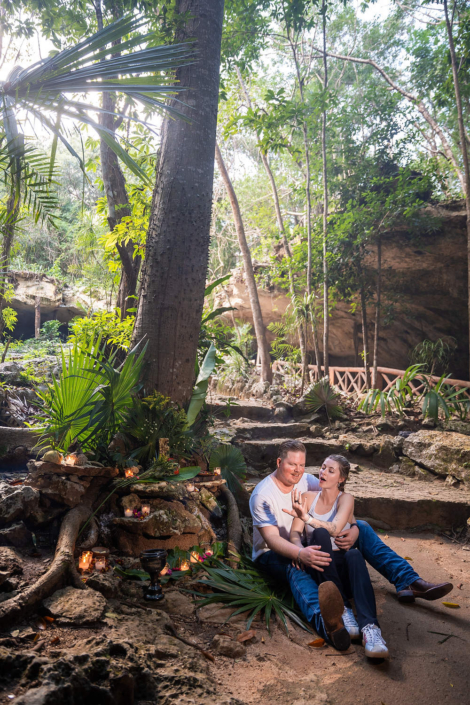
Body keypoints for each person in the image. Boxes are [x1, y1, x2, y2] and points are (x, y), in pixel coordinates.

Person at [249, 439, 453, 653]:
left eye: (302, 465)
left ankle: (408, 580)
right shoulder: (263, 494)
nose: (298, 470)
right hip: (273, 553)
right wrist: (299, 553)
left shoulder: (306, 481)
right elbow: (272, 539)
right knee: (295, 568)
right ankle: (330, 624)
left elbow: (336, 498)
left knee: (362, 527)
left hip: (306, 540)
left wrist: (354, 527)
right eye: (292, 465)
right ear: (279, 462)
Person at [286, 454, 388, 658]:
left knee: (354, 555)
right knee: (319, 534)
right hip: (318, 566)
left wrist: (307, 518)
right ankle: (343, 609)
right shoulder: (307, 497)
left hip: (342, 570)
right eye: (323, 467)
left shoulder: (346, 499)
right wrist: (299, 551)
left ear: (341, 479)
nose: (323, 472)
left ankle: (370, 629)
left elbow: (335, 528)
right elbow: (295, 533)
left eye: (331, 470)